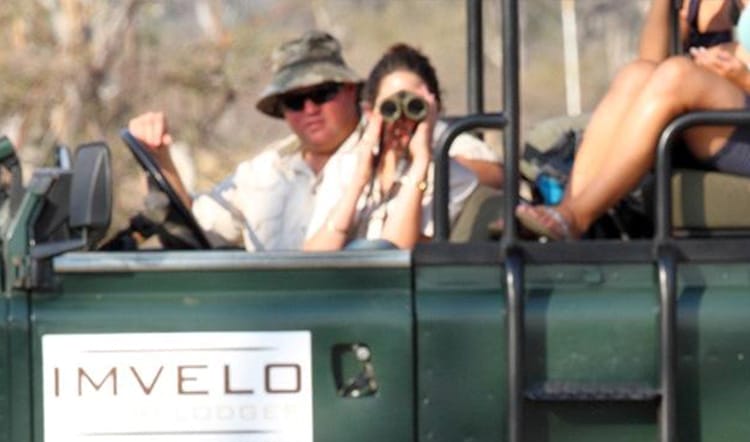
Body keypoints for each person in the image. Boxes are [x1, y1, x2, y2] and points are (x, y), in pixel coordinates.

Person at [516, 0, 750, 240]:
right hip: (706, 120)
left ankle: (576, 217)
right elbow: (653, 62)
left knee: (678, 74)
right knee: (636, 74)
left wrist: (742, 78)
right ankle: (566, 207)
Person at [128, 30, 365, 251]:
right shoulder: (263, 172)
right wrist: (160, 159)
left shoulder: (384, 158)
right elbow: (196, 230)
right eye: (295, 100)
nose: (310, 108)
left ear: (350, 90)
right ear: (282, 108)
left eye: (322, 93)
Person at [303, 43, 503, 251]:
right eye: (390, 108)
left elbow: (395, 250)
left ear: (434, 111)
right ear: (370, 112)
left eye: (414, 107)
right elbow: (312, 259)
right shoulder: (345, 167)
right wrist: (359, 180)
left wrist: (421, 164)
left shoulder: (452, 177)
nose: (402, 120)